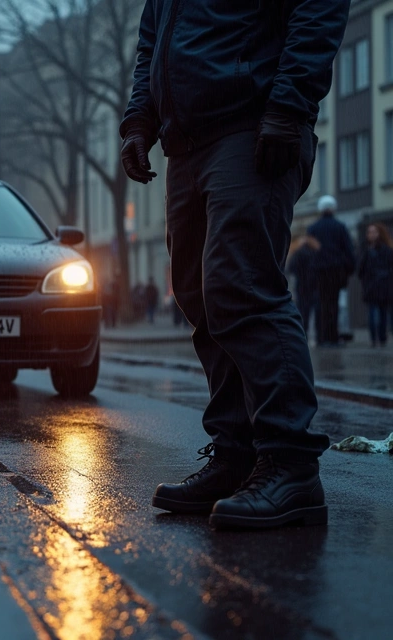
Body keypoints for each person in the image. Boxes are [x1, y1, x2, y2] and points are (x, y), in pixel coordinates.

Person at [121, 1, 343, 529]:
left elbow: (319, 8)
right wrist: (139, 122)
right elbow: (153, 41)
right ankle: (236, 455)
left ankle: (290, 464)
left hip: (251, 126)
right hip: (187, 144)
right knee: (199, 294)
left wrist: (288, 107)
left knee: (241, 287)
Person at [307, 195, 355, 347]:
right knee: (333, 304)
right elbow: (348, 250)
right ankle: (332, 337)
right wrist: (349, 269)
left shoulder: (313, 228)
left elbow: (308, 252)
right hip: (336, 270)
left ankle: (322, 338)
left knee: (321, 303)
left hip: (318, 271)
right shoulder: (340, 227)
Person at [357, 223, 393, 348]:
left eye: (374, 232)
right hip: (372, 286)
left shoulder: (386, 250)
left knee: (382, 313)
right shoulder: (366, 250)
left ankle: (381, 338)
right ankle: (375, 339)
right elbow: (360, 269)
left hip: (382, 285)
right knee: (373, 313)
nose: (371, 234)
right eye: (369, 232)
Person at [287, 234, 321, 344]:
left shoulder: (298, 253)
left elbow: (291, 268)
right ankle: (318, 337)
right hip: (314, 287)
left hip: (301, 287)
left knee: (303, 313)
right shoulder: (316, 253)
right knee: (316, 313)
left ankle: (303, 336)